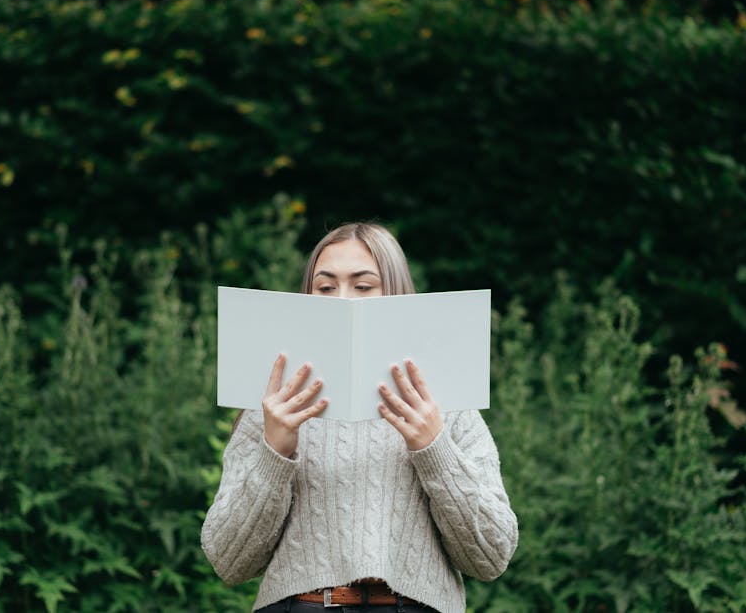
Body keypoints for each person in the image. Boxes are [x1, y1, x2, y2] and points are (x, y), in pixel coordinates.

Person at [201, 223, 518, 613]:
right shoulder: (274, 401)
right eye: (326, 287)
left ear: (396, 294)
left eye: (363, 286)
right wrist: (275, 450)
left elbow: (492, 556)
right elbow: (228, 561)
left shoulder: (446, 401)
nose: (343, 300)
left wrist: (434, 448)